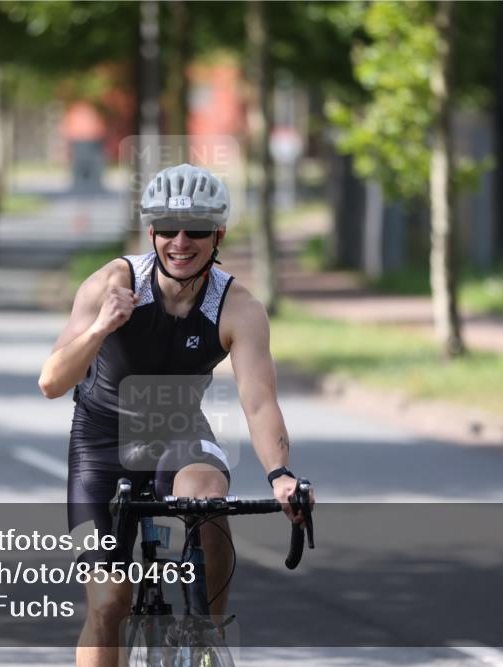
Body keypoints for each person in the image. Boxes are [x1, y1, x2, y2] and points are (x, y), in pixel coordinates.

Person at [38, 163, 311, 667]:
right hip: (101, 443)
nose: (180, 242)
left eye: (197, 231)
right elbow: (52, 381)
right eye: (167, 229)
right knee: (108, 604)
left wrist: (280, 475)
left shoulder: (238, 307)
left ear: (219, 234)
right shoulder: (111, 283)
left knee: (207, 496)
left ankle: (206, 631)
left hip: (179, 430)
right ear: (151, 233)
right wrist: (102, 326)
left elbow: (258, 400)